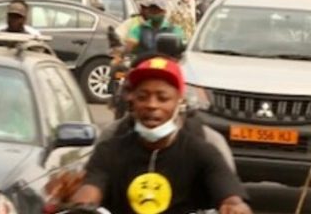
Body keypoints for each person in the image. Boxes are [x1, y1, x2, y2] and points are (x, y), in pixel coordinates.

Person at [65, 57, 252, 214]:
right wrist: (80, 203)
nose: (152, 105)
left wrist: (234, 207)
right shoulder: (109, 150)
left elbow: (230, 197)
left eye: (162, 98)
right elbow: (90, 190)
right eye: (142, 97)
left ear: (180, 103)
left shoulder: (204, 151)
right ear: (132, 103)